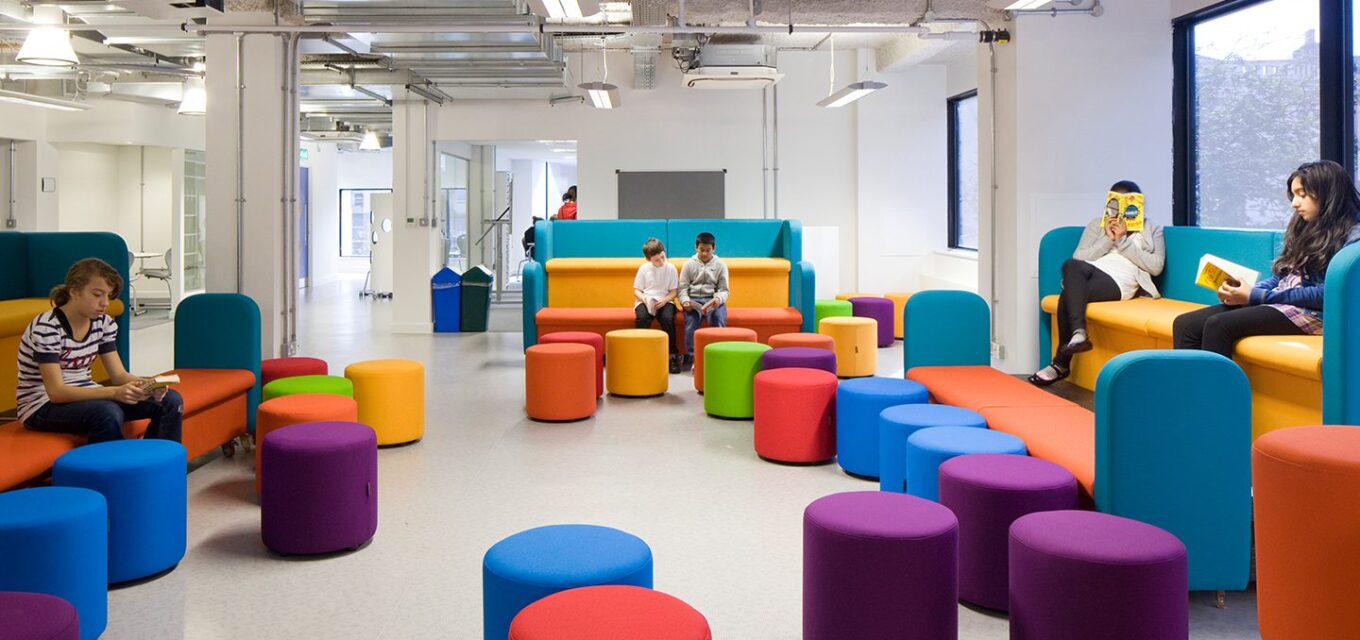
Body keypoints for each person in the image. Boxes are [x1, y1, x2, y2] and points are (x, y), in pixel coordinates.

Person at [1173, 160, 1360, 357]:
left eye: (1302, 195)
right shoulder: (1306, 225)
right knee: (1185, 324)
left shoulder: (1353, 238)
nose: (1295, 203)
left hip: (1315, 314)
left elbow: (1328, 294)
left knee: (1218, 325)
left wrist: (1256, 296)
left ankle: (1215, 379)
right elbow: (1283, 276)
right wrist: (1246, 292)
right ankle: (1191, 379)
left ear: (1328, 194)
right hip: (1284, 302)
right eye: (1294, 195)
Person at [18, 258, 183, 444]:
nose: (105, 303)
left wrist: (150, 386)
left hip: (86, 395)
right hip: (41, 405)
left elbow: (119, 375)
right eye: (97, 294)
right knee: (107, 413)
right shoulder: (47, 327)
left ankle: (157, 461)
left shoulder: (103, 323)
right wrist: (114, 393)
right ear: (74, 291)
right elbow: (56, 392)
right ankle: (113, 463)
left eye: (108, 296)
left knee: (170, 400)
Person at [1029, 180, 1165, 386]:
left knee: (1068, 295)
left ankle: (1061, 363)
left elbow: (1156, 267)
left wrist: (1122, 241)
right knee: (1071, 264)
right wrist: (1108, 239)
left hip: (1121, 281)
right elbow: (1080, 256)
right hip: (1091, 271)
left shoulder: (1152, 229)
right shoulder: (1097, 224)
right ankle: (1077, 336)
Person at [678, 232, 730, 371]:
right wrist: (685, 301)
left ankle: (719, 354)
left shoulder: (720, 265)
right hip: (693, 300)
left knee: (718, 319)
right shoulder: (689, 264)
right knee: (691, 323)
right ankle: (692, 357)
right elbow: (682, 288)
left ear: (714, 248)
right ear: (696, 248)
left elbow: (724, 290)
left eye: (708, 250)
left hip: (712, 300)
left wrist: (718, 299)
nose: (705, 253)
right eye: (702, 250)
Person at [634, 237, 682, 374]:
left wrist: (665, 300)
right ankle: (640, 353)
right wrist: (645, 299)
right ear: (649, 259)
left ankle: (672, 355)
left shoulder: (671, 268)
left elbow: (674, 292)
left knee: (667, 319)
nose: (661, 261)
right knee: (642, 318)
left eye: (662, 257)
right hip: (646, 299)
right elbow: (636, 290)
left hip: (666, 300)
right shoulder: (644, 269)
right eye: (656, 260)